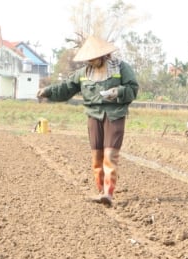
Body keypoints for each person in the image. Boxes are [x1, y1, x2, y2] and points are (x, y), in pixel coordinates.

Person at [37, 35, 139, 207]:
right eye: (89, 59)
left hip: (114, 114)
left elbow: (133, 89)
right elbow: (66, 88)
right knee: (96, 157)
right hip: (93, 115)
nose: (91, 62)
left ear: (104, 55)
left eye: (94, 58)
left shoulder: (121, 68)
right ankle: (100, 191)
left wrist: (118, 92)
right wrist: (47, 91)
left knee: (110, 156)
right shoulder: (84, 73)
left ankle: (108, 193)